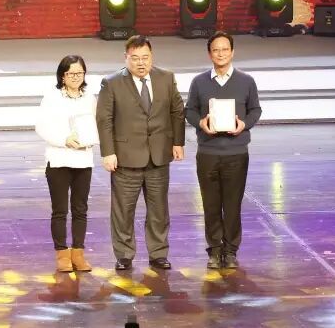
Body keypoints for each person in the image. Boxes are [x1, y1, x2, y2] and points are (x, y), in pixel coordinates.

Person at [96, 35, 185, 271]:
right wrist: (108, 152)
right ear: (125, 58)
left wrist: (178, 142)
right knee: (123, 211)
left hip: (159, 156)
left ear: (151, 57)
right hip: (125, 158)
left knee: (159, 210)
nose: (141, 63)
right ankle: (124, 255)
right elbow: (104, 119)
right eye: (135, 58)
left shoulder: (166, 78)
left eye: (145, 57)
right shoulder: (112, 83)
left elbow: (177, 111)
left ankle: (158, 253)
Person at [185, 31, 262, 269]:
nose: (220, 54)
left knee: (232, 205)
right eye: (216, 50)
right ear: (210, 54)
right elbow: (189, 110)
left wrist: (243, 125)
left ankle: (230, 251)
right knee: (210, 204)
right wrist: (201, 123)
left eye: (225, 49)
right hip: (207, 153)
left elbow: (255, 110)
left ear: (232, 52)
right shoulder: (199, 82)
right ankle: (214, 250)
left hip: (236, 153)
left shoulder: (246, 81)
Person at [36, 55, 98, 272]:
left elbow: (96, 125)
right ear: (62, 76)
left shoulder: (89, 98)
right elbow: (42, 127)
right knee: (60, 210)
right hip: (59, 159)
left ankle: (78, 253)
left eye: (80, 73)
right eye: (71, 73)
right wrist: (64, 140)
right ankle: (62, 254)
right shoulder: (52, 97)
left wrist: (91, 139)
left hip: (83, 159)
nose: (75, 77)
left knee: (80, 209)